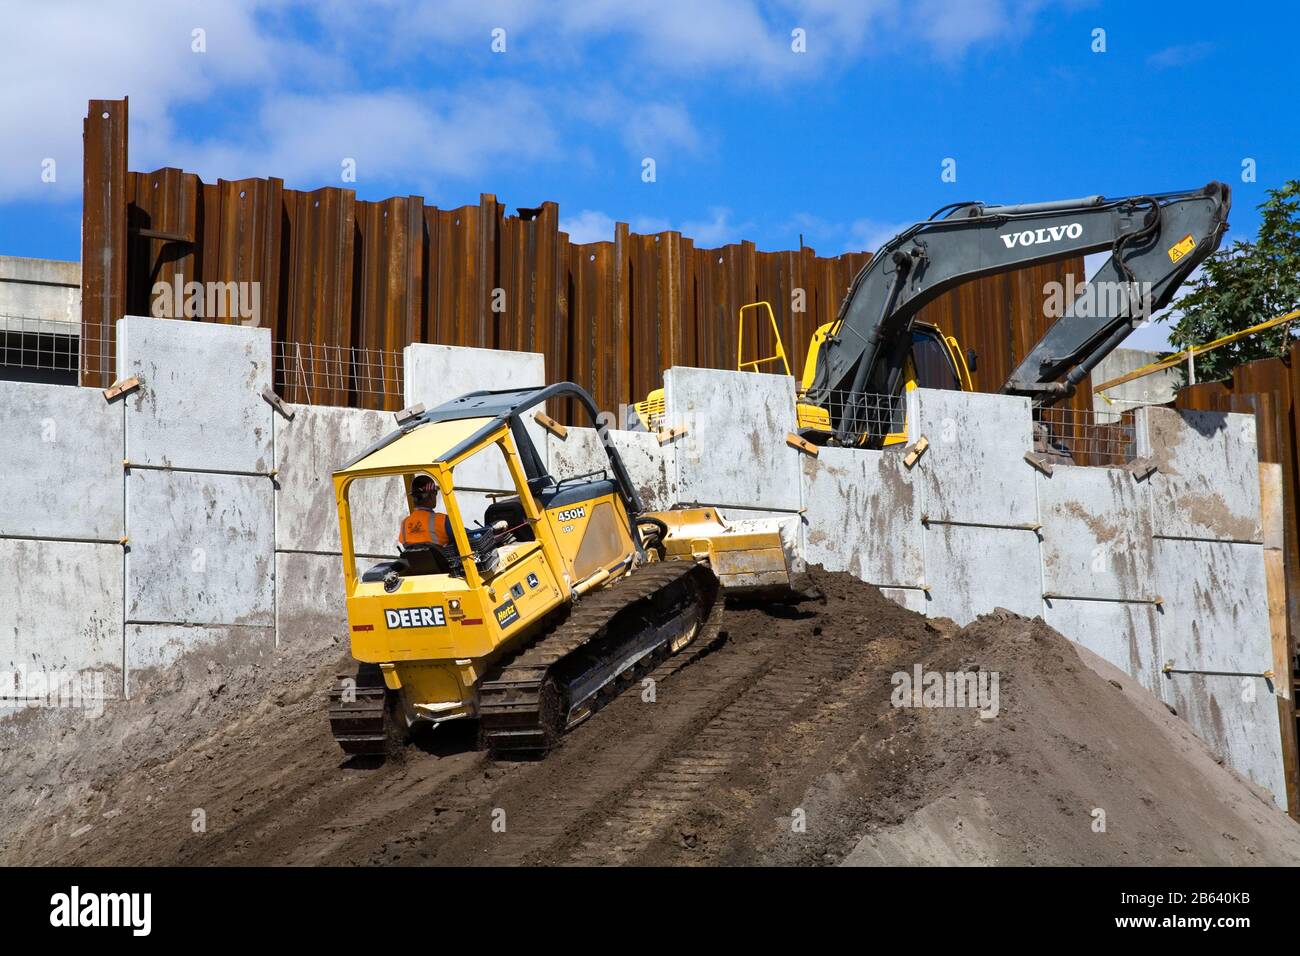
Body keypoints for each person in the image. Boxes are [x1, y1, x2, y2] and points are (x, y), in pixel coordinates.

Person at [398, 475, 453, 548]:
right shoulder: (443, 520)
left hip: (412, 559)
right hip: (438, 559)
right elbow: (464, 536)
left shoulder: (404, 523)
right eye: (435, 493)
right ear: (431, 495)